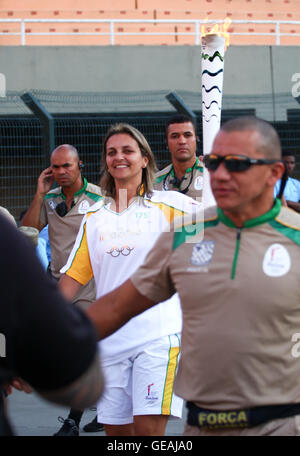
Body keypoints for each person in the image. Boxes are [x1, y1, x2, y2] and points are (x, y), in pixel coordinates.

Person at [84, 116, 300, 436]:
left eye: (237, 164)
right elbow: (116, 308)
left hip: (280, 423)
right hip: (202, 424)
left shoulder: (294, 238)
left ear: (275, 172)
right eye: (214, 163)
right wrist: (43, 344)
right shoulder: (184, 234)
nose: (222, 175)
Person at [59, 123, 198, 436]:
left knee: (149, 433)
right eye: (111, 152)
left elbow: (208, 246)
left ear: (145, 159)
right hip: (110, 342)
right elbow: (72, 277)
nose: (118, 157)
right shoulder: (94, 217)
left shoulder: (173, 206)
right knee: (117, 435)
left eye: (127, 151)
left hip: (158, 336)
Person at [20, 144, 103, 435]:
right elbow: (28, 231)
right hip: (57, 284)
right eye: (55, 167)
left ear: (80, 165)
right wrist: (40, 194)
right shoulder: (51, 198)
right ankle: (104, 406)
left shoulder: (99, 197)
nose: (61, 172)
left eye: (67, 166)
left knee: (84, 346)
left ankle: (73, 419)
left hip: (88, 285)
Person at [0, 213, 103, 436]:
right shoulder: (6, 234)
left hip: (84, 293)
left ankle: (76, 419)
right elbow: (80, 386)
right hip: (62, 293)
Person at [153, 114, 203, 200]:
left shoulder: (212, 175)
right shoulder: (155, 182)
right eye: (175, 136)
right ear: (166, 143)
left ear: (196, 139)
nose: (182, 141)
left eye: (187, 135)